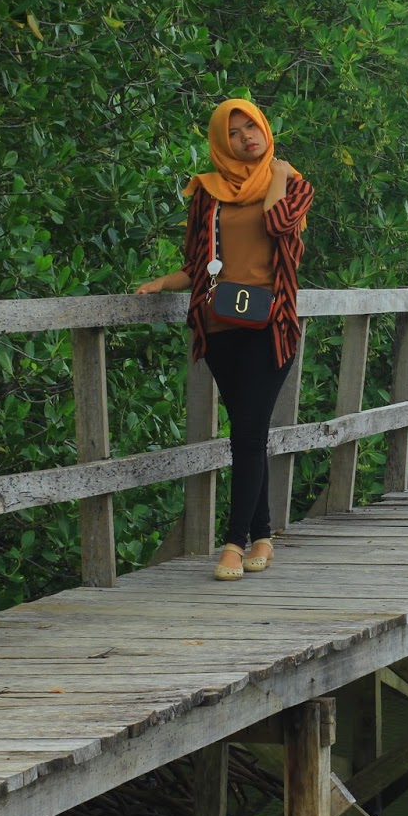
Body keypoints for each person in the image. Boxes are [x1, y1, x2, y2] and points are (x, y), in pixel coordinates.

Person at [137, 99, 314, 580]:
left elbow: (279, 225)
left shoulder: (293, 185)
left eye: (251, 127)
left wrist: (276, 175)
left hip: (270, 328)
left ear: (264, 127)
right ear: (221, 142)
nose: (245, 138)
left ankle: (233, 543)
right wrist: (162, 284)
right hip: (218, 328)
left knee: (249, 432)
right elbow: (197, 264)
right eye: (233, 133)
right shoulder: (207, 193)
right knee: (245, 433)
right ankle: (263, 535)